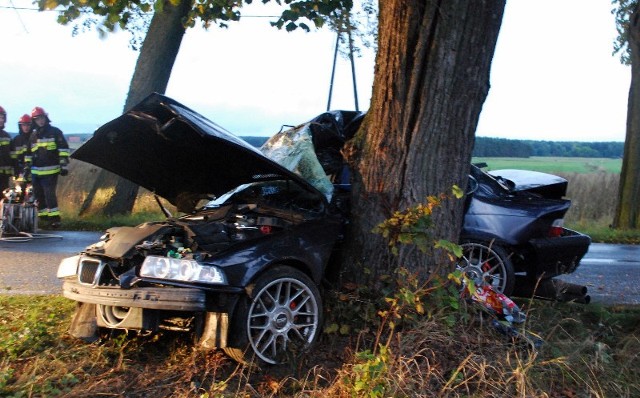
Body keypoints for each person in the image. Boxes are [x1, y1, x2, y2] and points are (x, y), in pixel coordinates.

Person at [26, 106, 69, 229]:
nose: (40, 121)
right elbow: (29, 153)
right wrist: (27, 167)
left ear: (46, 118)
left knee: (49, 194)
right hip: (36, 172)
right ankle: (43, 219)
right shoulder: (33, 135)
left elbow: (63, 149)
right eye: (37, 119)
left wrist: (63, 164)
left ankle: (55, 219)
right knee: (38, 195)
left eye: (42, 118)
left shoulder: (55, 132)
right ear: (34, 121)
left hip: (51, 170)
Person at [10, 114, 33, 183]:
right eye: (24, 125)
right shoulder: (16, 140)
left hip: (33, 174)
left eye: (28, 125)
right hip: (19, 174)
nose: (26, 127)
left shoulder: (35, 138)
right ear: (20, 126)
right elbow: (13, 157)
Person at [0, 106, 14, 193]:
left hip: (5, 175)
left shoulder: (7, 136)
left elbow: (12, 155)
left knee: (3, 199)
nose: (1, 120)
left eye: (2, 117)